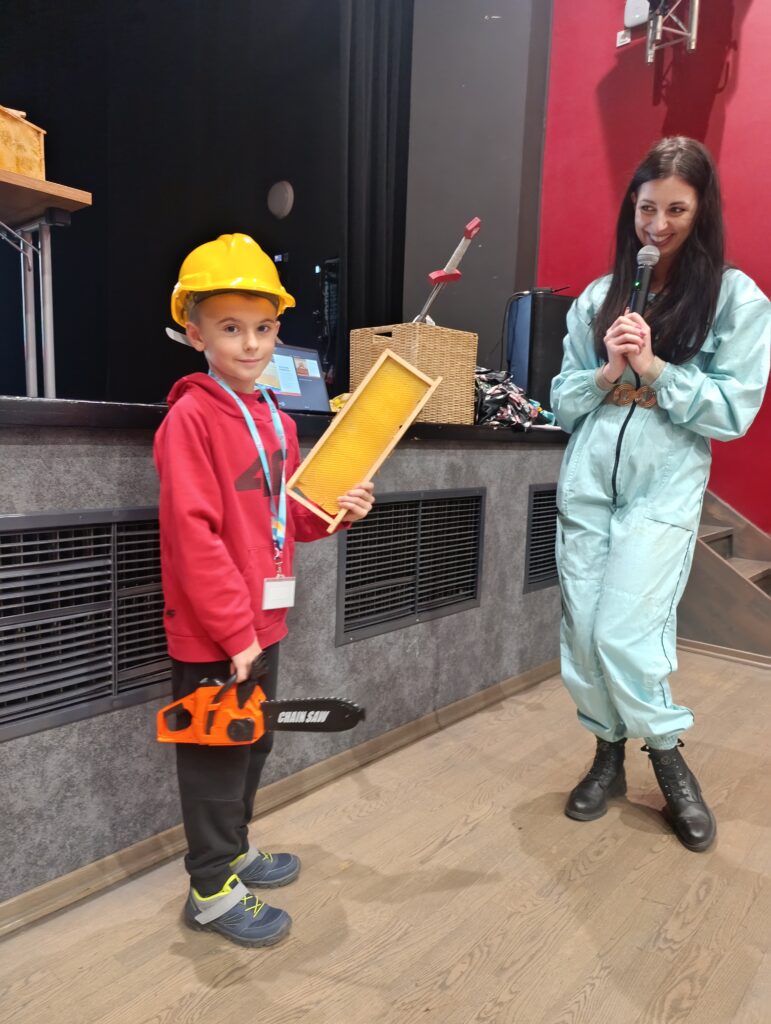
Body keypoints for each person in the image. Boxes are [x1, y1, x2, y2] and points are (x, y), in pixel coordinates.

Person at [550, 137, 770, 853]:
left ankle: (669, 759)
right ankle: (606, 755)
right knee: (584, 632)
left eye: (676, 209)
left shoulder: (735, 299)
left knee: (625, 631)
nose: (657, 224)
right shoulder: (597, 297)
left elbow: (732, 411)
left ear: (701, 211)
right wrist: (604, 373)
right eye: (647, 208)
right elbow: (560, 401)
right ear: (632, 207)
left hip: (662, 486)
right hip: (589, 482)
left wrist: (655, 370)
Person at [154, 233, 375, 946]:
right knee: (214, 758)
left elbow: (286, 518)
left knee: (251, 745)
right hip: (216, 634)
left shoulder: (275, 419)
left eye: (263, 327)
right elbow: (195, 539)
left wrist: (339, 510)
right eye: (230, 328)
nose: (250, 344)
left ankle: (234, 850)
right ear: (196, 334)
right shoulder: (190, 419)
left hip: (261, 624)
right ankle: (210, 889)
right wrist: (234, 634)